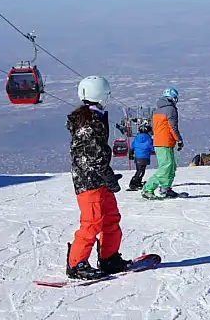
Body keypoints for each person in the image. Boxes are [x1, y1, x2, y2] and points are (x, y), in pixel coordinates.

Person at [65, 75, 131, 280]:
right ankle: (76, 264)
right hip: (88, 181)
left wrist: (107, 176)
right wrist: (108, 176)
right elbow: (95, 156)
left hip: (99, 179)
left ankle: (109, 257)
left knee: (111, 218)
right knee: (92, 221)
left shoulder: (94, 118)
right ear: (102, 95)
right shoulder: (89, 124)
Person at [142, 87, 184, 199]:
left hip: (161, 142)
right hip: (165, 142)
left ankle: (166, 188)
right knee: (165, 167)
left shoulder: (156, 110)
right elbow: (172, 127)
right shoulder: (171, 109)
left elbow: (153, 128)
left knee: (171, 166)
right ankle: (148, 188)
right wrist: (179, 140)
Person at [127, 123, 155, 190]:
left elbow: (132, 146)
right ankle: (133, 183)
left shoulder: (136, 138)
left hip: (137, 157)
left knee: (139, 170)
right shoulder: (149, 139)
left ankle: (138, 182)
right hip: (144, 157)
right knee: (141, 171)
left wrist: (130, 154)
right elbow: (152, 148)